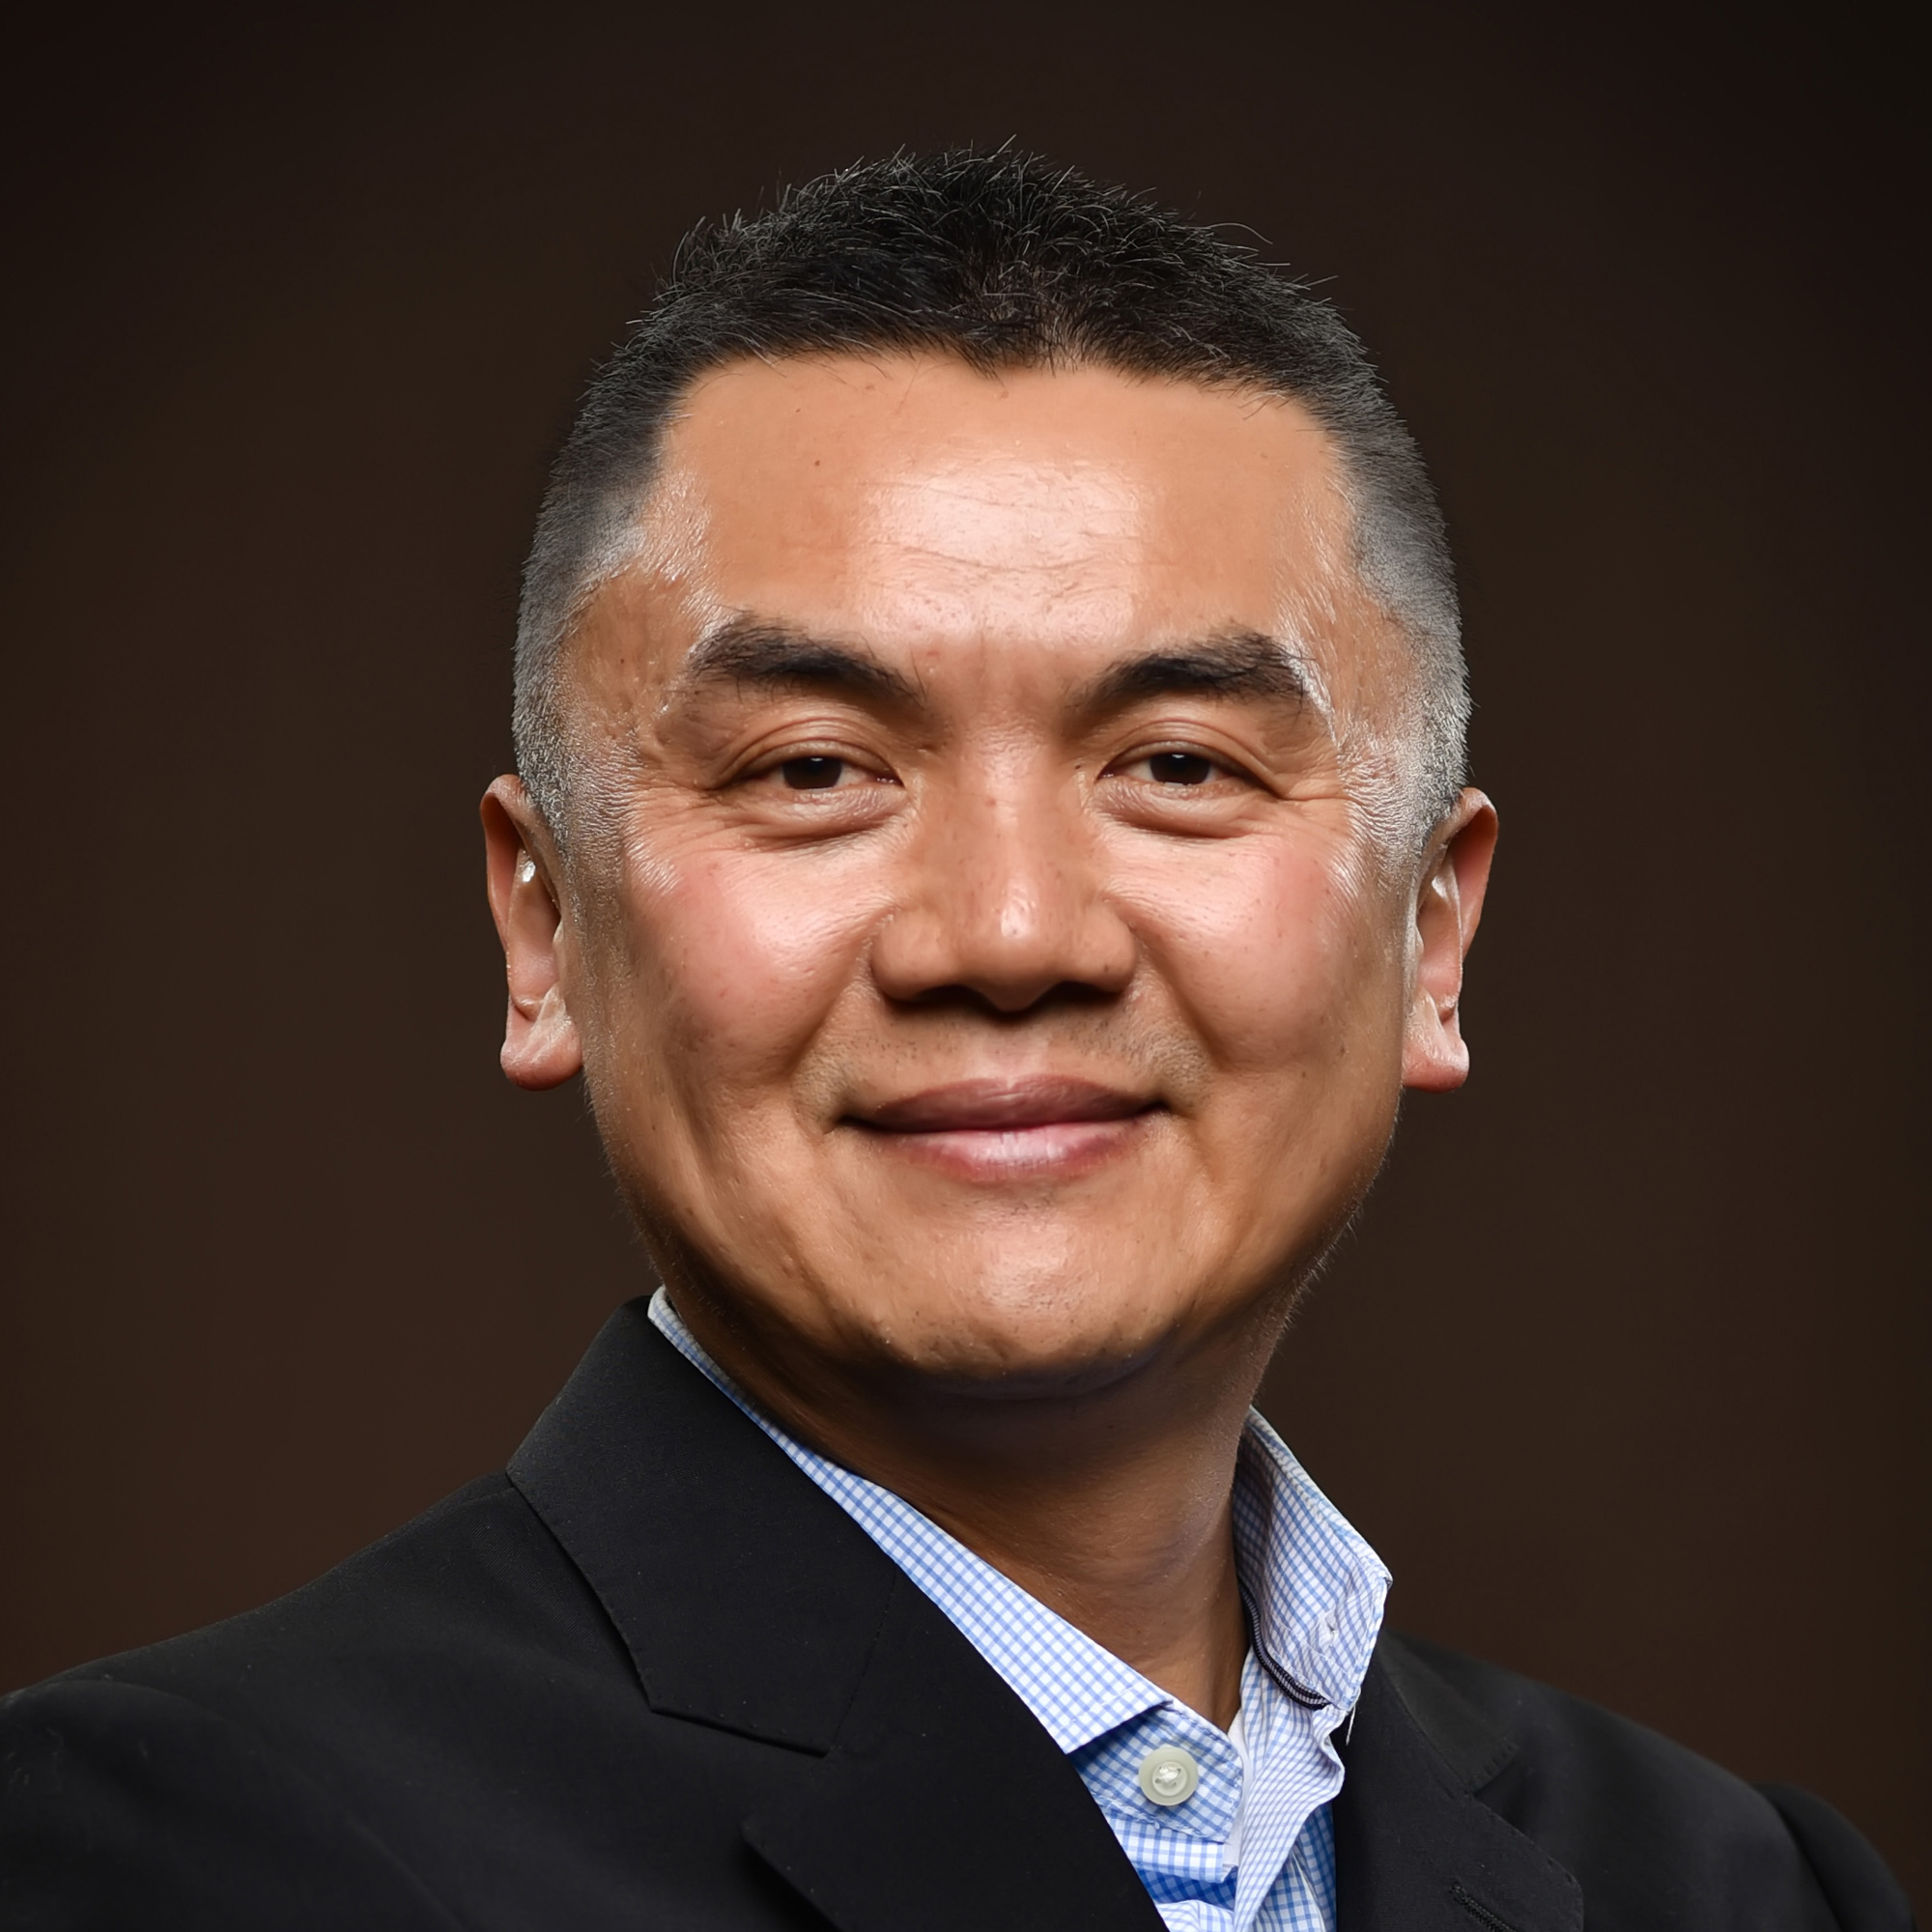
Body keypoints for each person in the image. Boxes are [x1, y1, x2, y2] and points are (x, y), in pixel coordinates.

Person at [0, 151, 1912, 1932]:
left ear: (1432, 930)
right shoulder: (175, 1847)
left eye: (1177, 765)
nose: (1008, 935)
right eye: (816, 769)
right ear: (545, 924)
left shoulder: (1739, 1884)